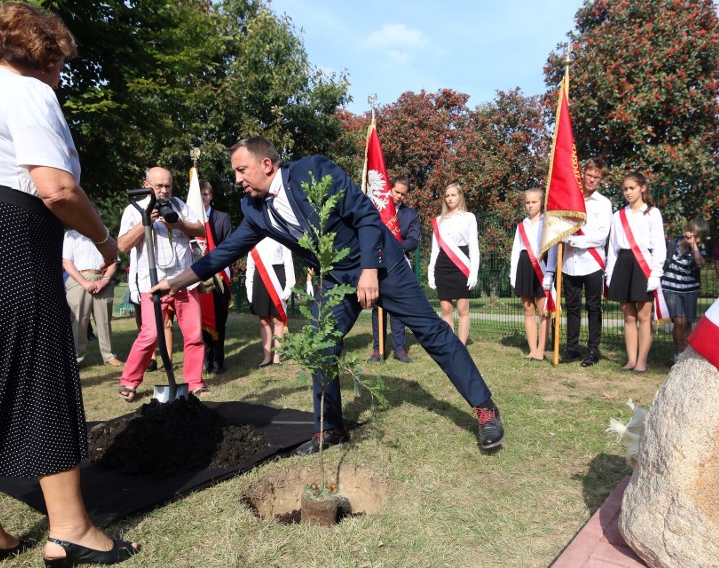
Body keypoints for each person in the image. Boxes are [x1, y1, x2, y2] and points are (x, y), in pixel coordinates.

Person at [0, 4, 139, 567]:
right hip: (6, 239)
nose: (61, 77)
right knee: (40, 369)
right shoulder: (29, 92)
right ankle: (70, 529)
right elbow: (57, 188)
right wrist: (106, 242)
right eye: (59, 65)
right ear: (42, 55)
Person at [152, 137, 504, 455]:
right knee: (322, 345)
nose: (238, 179)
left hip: (381, 264)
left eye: (242, 170)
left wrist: (369, 270)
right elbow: (225, 251)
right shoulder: (254, 209)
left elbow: (366, 215)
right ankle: (331, 428)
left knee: (432, 332)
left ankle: (485, 409)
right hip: (336, 279)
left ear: (266, 164)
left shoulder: (312, 171)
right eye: (235, 173)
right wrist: (177, 281)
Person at [116, 167, 208, 401]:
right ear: (146, 184)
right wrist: (145, 221)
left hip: (182, 281)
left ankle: (195, 383)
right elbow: (123, 245)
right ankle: (129, 382)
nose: (164, 190)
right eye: (159, 186)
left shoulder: (179, 205)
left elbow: (201, 231)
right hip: (152, 283)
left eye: (168, 185)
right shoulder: (134, 209)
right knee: (150, 334)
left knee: (195, 334)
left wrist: (179, 225)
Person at [606, 171, 666, 373]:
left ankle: (642, 361)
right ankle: (631, 360)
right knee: (629, 316)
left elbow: (659, 246)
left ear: (643, 187)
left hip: (643, 265)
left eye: (631, 188)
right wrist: (610, 273)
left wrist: (656, 274)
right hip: (623, 264)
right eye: (624, 189)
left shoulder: (652, 213)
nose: (628, 192)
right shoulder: (618, 216)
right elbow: (612, 248)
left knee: (643, 316)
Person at [559, 158, 613, 366]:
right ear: (582, 174)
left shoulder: (604, 203)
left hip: (591, 261)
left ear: (600, 179)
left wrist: (572, 239)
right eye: (589, 175)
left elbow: (601, 237)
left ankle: (593, 350)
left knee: (593, 307)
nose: (591, 179)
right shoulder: (569, 199)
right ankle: (572, 348)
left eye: (596, 177)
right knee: (572, 307)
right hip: (569, 261)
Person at [368, 175, 420, 363]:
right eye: (396, 192)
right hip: (377, 263)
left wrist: (394, 249)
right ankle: (377, 349)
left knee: (398, 309)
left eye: (403, 194)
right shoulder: (376, 209)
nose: (399, 196)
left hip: (399, 264)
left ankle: (399, 349)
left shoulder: (411, 215)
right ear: (390, 189)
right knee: (377, 307)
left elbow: (413, 240)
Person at [62, 222, 124, 368]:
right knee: (78, 321)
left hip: (102, 280)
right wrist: (84, 282)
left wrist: (104, 280)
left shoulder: (105, 235)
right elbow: (66, 261)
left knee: (104, 321)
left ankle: (109, 356)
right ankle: (76, 358)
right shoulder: (71, 235)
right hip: (79, 280)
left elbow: (114, 260)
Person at [509, 188, 558, 362]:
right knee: (528, 309)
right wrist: (513, 275)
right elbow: (516, 251)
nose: (530, 206)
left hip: (543, 267)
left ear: (542, 202)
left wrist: (550, 272)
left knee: (543, 311)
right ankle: (532, 349)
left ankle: (541, 349)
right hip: (524, 265)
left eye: (534, 202)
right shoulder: (521, 225)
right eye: (527, 202)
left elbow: (553, 249)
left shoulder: (548, 222)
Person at [427, 183, 479, 345]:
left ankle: (461, 345)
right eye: (447, 195)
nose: (450, 198)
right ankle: (451, 344)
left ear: (460, 196)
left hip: (461, 264)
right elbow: (435, 249)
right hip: (443, 265)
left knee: (463, 309)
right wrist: (431, 271)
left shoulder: (469, 217)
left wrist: (474, 272)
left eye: (453, 195)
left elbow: (473, 247)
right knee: (446, 310)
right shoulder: (437, 221)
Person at [198, 180, 233, 374]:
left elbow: (229, 246)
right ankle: (205, 360)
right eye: (199, 194)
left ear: (210, 196)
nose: (202, 197)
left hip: (219, 277)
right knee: (201, 321)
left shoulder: (222, 218)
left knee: (219, 321)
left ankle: (218, 361)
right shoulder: (190, 218)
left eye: (205, 194)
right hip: (198, 279)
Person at [661, 218, 708, 362]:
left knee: (687, 322)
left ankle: (687, 353)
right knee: (679, 321)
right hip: (670, 288)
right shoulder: (671, 245)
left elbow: (700, 264)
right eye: (689, 231)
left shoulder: (699, 251)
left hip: (690, 290)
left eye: (695, 235)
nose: (690, 236)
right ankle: (679, 353)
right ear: (685, 230)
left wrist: (694, 247)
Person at [246, 237, 295, 367]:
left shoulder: (279, 233)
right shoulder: (254, 235)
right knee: (264, 320)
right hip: (260, 278)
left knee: (278, 319)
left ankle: (277, 358)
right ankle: (267, 357)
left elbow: (288, 262)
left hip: (278, 277)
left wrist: (289, 286)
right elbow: (250, 266)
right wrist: (249, 290)